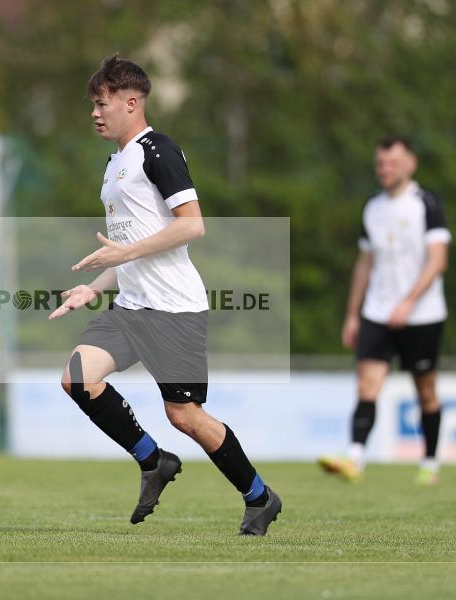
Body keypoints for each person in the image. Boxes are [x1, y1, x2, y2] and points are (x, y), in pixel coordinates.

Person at [48, 55, 282, 535]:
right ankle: (153, 460)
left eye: (102, 103)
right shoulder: (115, 164)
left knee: (186, 416)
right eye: (93, 104)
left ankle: (259, 496)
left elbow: (192, 225)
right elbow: (126, 252)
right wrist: (90, 289)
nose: (95, 113)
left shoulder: (158, 150)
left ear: (131, 102)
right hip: (132, 309)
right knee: (76, 377)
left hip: (174, 310)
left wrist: (123, 254)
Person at [319, 136, 451, 485]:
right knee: (367, 385)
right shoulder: (372, 207)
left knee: (425, 389)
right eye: (380, 163)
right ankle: (355, 458)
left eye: (392, 163)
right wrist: (352, 314)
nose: (385, 169)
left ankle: (430, 462)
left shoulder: (426, 203)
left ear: (411, 164)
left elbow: (438, 260)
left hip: (422, 315)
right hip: (377, 312)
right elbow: (365, 263)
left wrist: (408, 303)